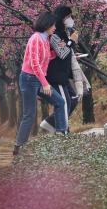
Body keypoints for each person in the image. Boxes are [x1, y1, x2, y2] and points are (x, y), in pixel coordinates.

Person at [14, 11, 68, 156]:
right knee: (30, 114)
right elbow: (35, 63)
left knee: (60, 102)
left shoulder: (45, 39)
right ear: (46, 25)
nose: (55, 28)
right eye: (53, 25)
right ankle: (19, 147)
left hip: (38, 79)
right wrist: (45, 84)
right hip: (29, 79)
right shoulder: (35, 38)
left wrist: (57, 51)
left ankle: (61, 135)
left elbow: (46, 57)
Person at [40, 6, 78, 134]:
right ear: (61, 18)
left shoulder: (63, 33)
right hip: (56, 75)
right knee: (64, 102)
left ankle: (51, 123)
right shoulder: (55, 35)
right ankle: (63, 131)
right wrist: (71, 42)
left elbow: (64, 51)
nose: (70, 19)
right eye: (68, 17)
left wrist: (70, 44)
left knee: (73, 98)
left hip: (63, 74)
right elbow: (62, 53)